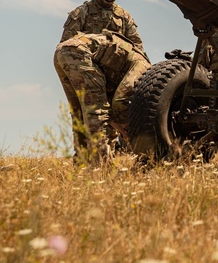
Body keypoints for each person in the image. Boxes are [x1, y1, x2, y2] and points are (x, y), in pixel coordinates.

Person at [54, 31, 151, 164]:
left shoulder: (123, 72)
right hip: (79, 52)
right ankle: (101, 166)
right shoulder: (144, 67)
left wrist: (122, 130)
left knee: (80, 114)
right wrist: (130, 127)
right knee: (97, 111)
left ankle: (82, 165)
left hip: (63, 51)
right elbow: (120, 102)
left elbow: (111, 112)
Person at [60, 0, 145, 54]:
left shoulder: (124, 16)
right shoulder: (81, 12)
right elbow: (66, 46)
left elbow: (136, 46)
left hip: (114, 63)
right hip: (86, 61)